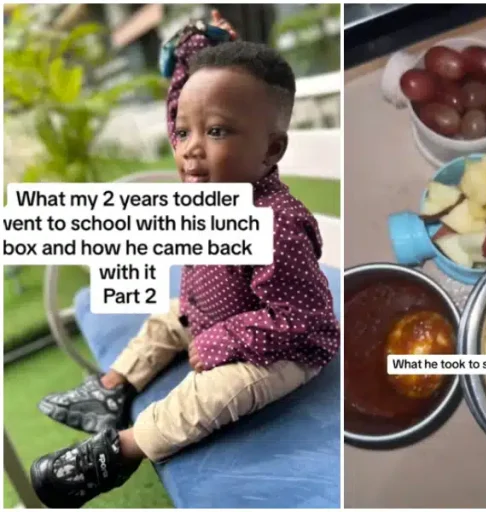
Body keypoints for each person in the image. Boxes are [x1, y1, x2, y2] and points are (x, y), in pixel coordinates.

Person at [29, 11, 340, 508]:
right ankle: (110, 389)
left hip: (283, 352)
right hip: (214, 311)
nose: (192, 149)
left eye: (216, 133)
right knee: (164, 318)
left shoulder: (275, 222)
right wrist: (196, 45)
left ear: (270, 150)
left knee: (211, 395)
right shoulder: (212, 180)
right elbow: (189, 100)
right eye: (184, 133)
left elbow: (305, 322)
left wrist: (222, 339)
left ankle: (119, 452)